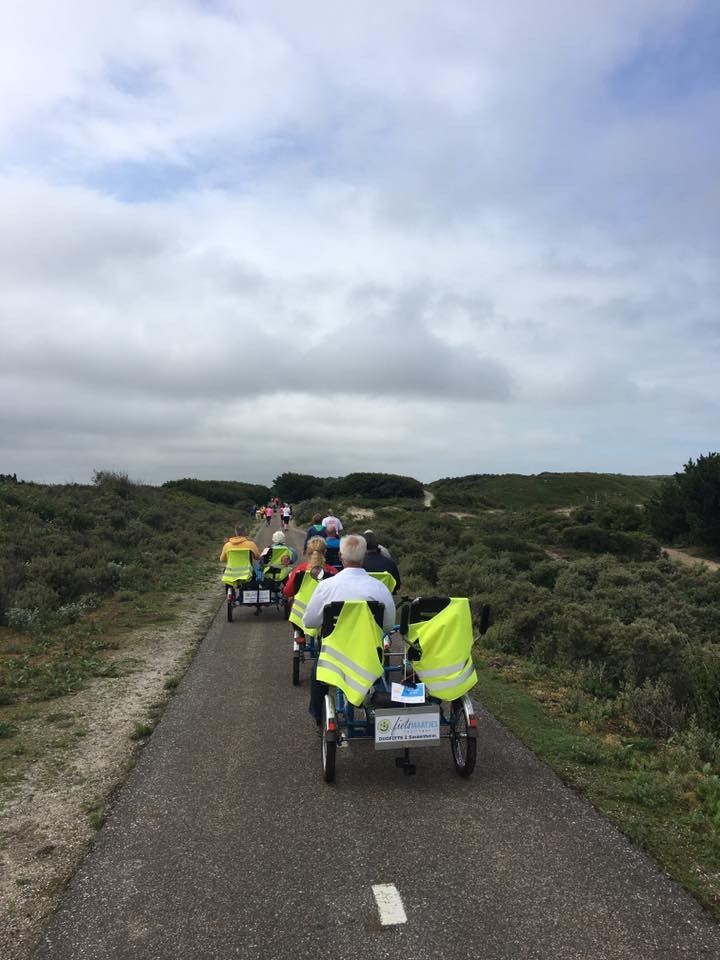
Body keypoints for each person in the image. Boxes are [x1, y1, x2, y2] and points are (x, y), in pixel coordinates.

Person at [303, 534, 395, 724]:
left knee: (316, 674)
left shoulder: (326, 586)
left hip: (335, 656)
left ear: (340, 555)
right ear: (363, 557)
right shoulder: (379, 588)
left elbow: (310, 622)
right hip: (368, 654)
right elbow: (387, 625)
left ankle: (317, 715)